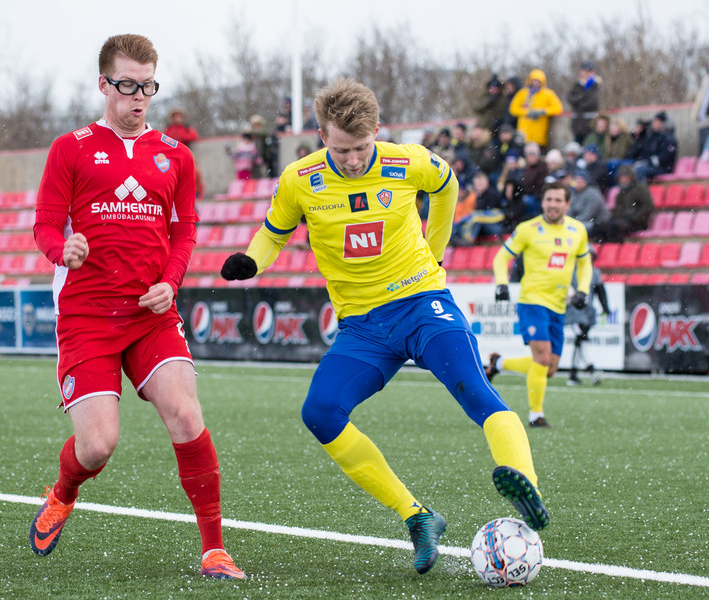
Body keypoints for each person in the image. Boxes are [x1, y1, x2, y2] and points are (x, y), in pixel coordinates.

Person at [220, 77, 549, 575]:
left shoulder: (408, 161)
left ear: (377, 130)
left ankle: (526, 486)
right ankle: (417, 516)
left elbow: (447, 187)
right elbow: (273, 233)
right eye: (341, 150)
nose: (353, 160)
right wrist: (252, 261)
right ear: (321, 135)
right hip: (362, 327)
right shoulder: (299, 180)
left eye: (361, 147)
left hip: (421, 303)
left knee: (475, 390)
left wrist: (436, 251)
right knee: (320, 412)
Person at [29, 33, 244, 580]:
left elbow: (185, 229)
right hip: (87, 317)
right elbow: (46, 224)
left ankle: (215, 549)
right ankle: (64, 491)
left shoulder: (176, 155)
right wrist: (62, 249)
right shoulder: (71, 147)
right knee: (98, 446)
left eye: (148, 86)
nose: (140, 97)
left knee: (186, 415)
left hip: (151, 315)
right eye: (128, 86)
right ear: (103, 84)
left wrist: (172, 282)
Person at [487, 181, 592, 429]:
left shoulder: (577, 230)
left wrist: (583, 290)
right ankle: (536, 415)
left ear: (567, 204)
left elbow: (585, 263)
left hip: (559, 305)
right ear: (542, 202)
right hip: (532, 302)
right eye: (548, 200)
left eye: (558, 200)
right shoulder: (528, 229)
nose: (552, 205)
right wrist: (501, 283)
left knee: (550, 368)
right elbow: (501, 257)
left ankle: (498, 363)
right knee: (542, 358)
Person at [564, 248, 610, 386]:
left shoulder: (594, 273)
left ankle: (573, 374)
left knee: (579, 342)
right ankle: (591, 370)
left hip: (587, 313)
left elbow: (600, 291)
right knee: (581, 339)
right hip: (573, 312)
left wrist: (605, 307)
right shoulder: (569, 272)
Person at [593, 164, 654, 242]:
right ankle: (602, 247)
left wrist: (634, 218)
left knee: (614, 227)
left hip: (637, 223)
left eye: (625, 177)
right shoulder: (621, 191)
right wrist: (613, 218)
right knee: (600, 226)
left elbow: (647, 206)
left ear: (631, 177)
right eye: (621, 177)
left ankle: (616, 246)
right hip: (622, 220)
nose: (623, 179)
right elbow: (618, 208)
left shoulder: (640, 189)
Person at [509, 69, 563, 150]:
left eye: (538, 81)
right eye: (533, 80)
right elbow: (513, 109)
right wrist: (527, 113)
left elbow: (558, 108)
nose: (535, 83)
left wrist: (542, 112)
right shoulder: (522, 93)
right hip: (523, 134)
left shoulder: (548, 94)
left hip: (539, 134)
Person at [632, 112, 678, 182]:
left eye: (658, 122)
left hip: (663, 168)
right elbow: (645, 152)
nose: (655, 124)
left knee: (640, 170)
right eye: (655, 122)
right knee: (629, 169)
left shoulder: (669, 139)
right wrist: (641, 161)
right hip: (651, 166)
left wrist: (649, 162)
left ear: (664, 124)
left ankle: (641, 188)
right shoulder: (651, 137)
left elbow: (665, 157)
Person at [567, 61, 601, 144]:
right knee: (576, 146)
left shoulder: (595, 85)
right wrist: (582, 97)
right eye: (583, 71)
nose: (584, 74)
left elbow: (593, 102)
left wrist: (578, 103)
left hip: (590, 124)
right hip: (577, 124)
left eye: (587, 71)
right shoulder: (577, 85)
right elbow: (570, 98)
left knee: (589, 145)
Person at [568, 170, 609, 235]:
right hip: (579, 220)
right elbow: (570, 210)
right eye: (575, 181)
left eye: (580, 181)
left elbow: (588, 214)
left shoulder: (593, 194)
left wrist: (572, 222)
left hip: (596, 222)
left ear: (586, 181)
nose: (577, 183)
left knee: (574, 228)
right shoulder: (574, 193)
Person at [473, 74, 507, 139]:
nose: (494, 89)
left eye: (496, 86)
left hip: (498, 129)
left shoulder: (503, 98)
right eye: (492, 86)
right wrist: (489, 101)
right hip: (484, 128)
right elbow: (476, 108)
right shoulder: (484, 96)